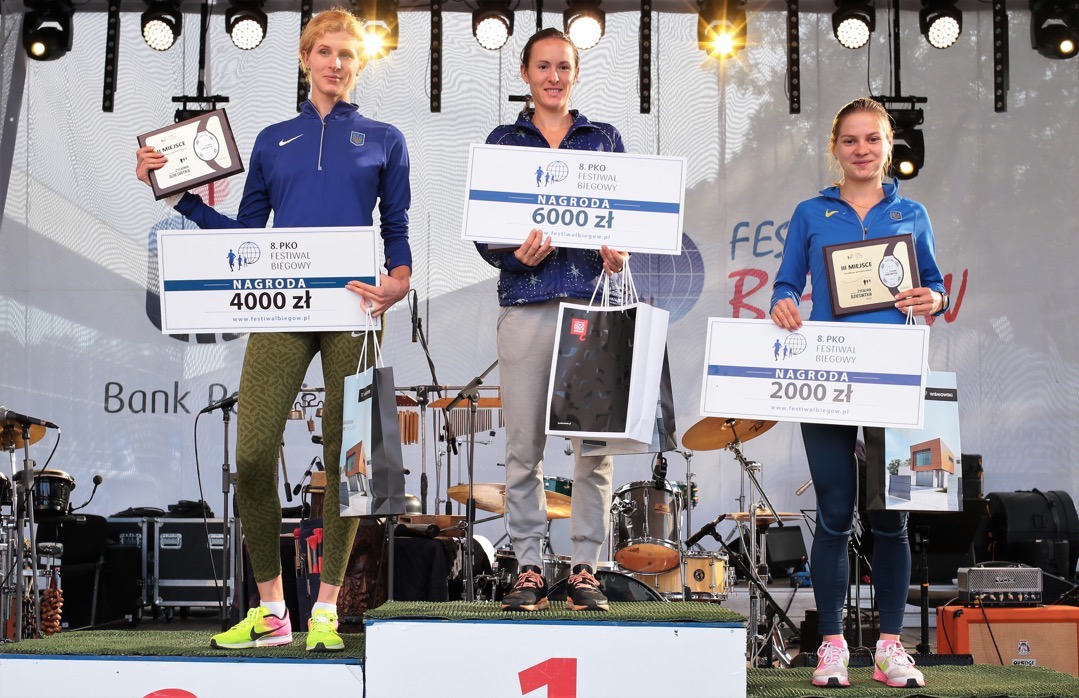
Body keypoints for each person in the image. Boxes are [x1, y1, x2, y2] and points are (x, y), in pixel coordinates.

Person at [135, 8, 411, 652]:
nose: (336, 63)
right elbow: (244, 237)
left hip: (355, 311)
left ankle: (327, 611)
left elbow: (395, 226)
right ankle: (272, 611)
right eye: (325, 52)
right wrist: (176, 195)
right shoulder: (272, 140)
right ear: (305, 57)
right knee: (254, 454)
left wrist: (399, 280)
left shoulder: (385, 138)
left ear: (359, 63)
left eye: (347, 54)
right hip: (282, 307)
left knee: (354, 462)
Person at [770, 97, 948, 688]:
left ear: (889, 145)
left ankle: (891, 649)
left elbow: (937, 286)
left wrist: (934, 299)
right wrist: (783, 302)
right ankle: (832, 648)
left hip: (893, 379)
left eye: (873, 139)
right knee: (834, 515)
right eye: (850, 140)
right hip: (828, 377)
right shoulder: (810, 212)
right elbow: (785, 284)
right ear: (835, 148)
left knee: (891, 516)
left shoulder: (912, 213)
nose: (862, 150)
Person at [475, 28, 626, 613]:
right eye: (543, 66)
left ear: (576, 73)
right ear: (525, 73)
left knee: (593, 450)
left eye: (564, 66)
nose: (554, 76)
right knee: (523, 448)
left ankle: (587, 568)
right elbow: (486, 233)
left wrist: (621, 250)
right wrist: (515, 255)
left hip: (592, 306)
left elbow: (627, 216)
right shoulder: (503, 141)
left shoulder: (603, 139)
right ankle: (530, 567)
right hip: (527, 305)